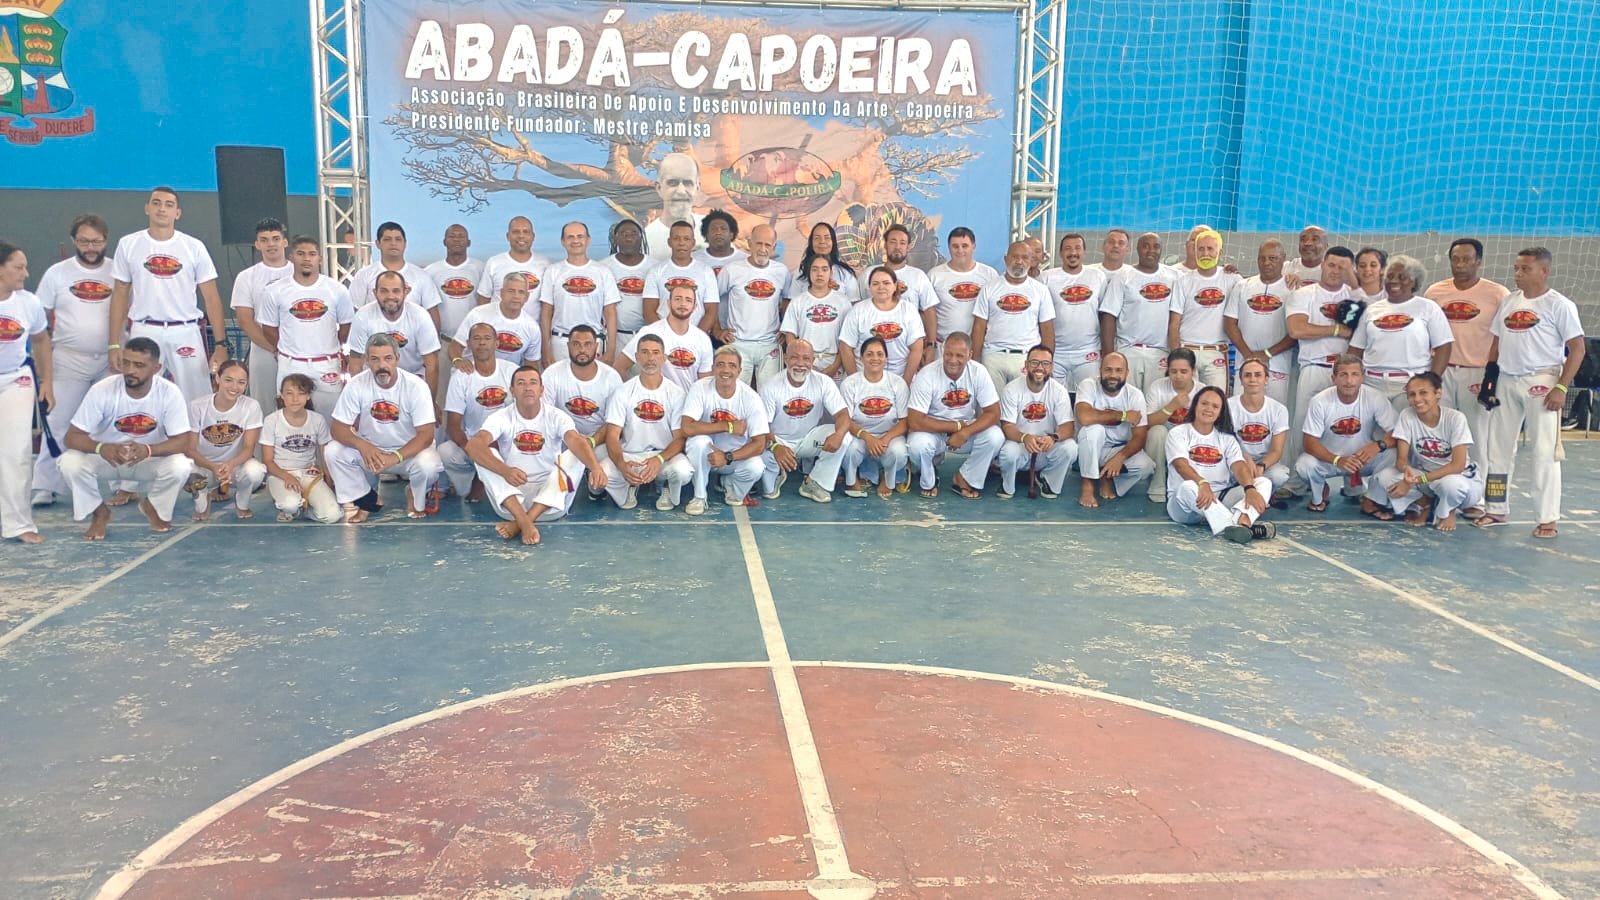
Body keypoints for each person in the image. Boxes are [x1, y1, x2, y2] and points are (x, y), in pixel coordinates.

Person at [1477, 247, 1586, 538]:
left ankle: (1547, 518)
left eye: (1525, 269)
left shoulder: (1559, 305)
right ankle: (1496, 509)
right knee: (1497, 448)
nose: (1518, 274)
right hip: (1507, 379)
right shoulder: (1509, 301)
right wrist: (1490, 377)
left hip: (1543, 381)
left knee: (1543, 451)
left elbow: (1578, 348)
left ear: (1544, 271)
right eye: (1516, 268)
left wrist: (1562, 386)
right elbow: (1497, 341)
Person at [58, 337, 192, 540]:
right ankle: (99, 512)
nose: (130, 370)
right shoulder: (102, 390)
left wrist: (148, 450)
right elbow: (71, 437)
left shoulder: (169, 393)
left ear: (156, 368)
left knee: (181, 466)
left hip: (147, 458)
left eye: (139, 365)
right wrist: (101, 447)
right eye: (126, 362)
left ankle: (153, 506)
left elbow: (183, 441)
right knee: (69, 462)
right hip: (108, 458)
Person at [107, 186, 229, 400]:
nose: (162, 209)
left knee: (197, 400)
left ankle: (193, 435)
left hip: (185, 331)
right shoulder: (128, 244)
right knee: (138, 398)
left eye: (168, 205)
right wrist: (114, 343)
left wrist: (221, 344)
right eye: (156, 203)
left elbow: (211, 298)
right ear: (147, 208)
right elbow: (119, 295)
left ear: (178, 213)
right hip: (144, 330)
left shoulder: (194, 247)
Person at [465, 365, 608, 545]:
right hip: (510, 504)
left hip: (551, 505)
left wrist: (595, 467)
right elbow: (473, 446)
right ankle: (523, 520)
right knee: (485, 454)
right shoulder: (501, 416)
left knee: (575, 452)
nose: (527, 388)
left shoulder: (557, 416)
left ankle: (521, 523)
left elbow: (576, 441)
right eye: (521, 383)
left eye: (533, 383)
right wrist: (505, 471)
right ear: (512, 391)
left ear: (541, 390)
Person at [30, 215, 108, 509]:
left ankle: (124, 485)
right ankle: (45, 485)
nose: (91, 247)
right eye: (85, 241)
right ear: (75, 241)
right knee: (59, 421)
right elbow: (38, 319)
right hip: (68, 359)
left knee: (117, 421)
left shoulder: (117, 271)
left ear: (105, 241)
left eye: (96, 241)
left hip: (110, 360)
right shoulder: (56, 274)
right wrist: (44, 370)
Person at [327, 334, 445, 522]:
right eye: (375, 359)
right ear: (366, 361)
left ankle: (413, 493)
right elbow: (337, 428)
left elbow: (425, 435)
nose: (381, 365)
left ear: (397, 359)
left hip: (408, 454)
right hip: (372, 453)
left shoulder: (417, 386)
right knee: (333, 451)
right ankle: (368, 500)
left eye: (387, 358)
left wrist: (395, 457)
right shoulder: (356, 384)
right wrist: (362, 445)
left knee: (428, 465)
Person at [1424, 237, 1508, 465]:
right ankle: (1441, 488)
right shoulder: (1434, 292)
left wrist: (1492, 375)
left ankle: (1477, 494)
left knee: (1477, 435)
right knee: (1440, 433)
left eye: (1467, 259)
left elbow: (1503, 337)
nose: (1460, 264)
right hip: (1442, 371)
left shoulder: (1498, 294)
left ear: (1478, 261)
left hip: (1477, 372)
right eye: (1455, 259)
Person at [1367, 372, 1484, 530]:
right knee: (1385, 477)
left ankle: (1448, 511)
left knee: (1452, 485)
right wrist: (1407, 473)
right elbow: (1401, 460)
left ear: (1438, 393)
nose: (1417, 399)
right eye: (1412, 394)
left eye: (1423, 393)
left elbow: (1457, 466)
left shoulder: (1456, 418)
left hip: (1459, 479)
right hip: (1425, 477)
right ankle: (1425, 502)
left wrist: (1419, 480)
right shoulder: (1407, 416)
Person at [1164, 385, 1275, 543]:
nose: (1209, 409)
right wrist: (1202, 483)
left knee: (1263, 482)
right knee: (1188, 486)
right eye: (1204, 403)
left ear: (1220, 412)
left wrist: (1249, 488)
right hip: (1186, 505)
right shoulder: (1178, 433)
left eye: (1215, 406)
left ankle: (1241, 524)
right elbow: (1181, 465)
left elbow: (1239, 466)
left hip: (1220, 500)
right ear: (1195, 405)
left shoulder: (1226, 438)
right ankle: (1238, 525)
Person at [598, 334, 694, 511]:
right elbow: (612, 434)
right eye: (645, 352)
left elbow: (680, 438)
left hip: (664, 455)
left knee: (683, 472)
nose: (650, 358)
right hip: (630, 455)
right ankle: (629, 485)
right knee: (601, 473)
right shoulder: (623, 391)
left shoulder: (676, 393)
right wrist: (621, 464)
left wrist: (659, 459)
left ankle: (664, 486)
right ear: (637, 357)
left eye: (656, 353)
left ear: (664, 358)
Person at [259, 236, 353, 413]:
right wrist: (287, 348)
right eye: (301, 254)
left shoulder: (337, 290)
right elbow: (269, 330)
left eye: (312, 254)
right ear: (292, 257)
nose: (307, 258)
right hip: (291, 364)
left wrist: (332, 347)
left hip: (327, 364)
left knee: (330, 420)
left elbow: (346, 327)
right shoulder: (274, 291)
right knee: (289, 423)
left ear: (320, 258)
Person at [1294, 355, 1398, 512]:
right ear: (1333, 378)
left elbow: (1397, 433)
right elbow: (1309, 442)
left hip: (1363, 460)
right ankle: (1319, 495)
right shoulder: (1320, 401)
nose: (1349, 381)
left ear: (1362, 377)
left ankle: (1372, 498)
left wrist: (1378, 445)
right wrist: (1337, 460)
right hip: (1330, 460)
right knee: (1304, 465)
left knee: (1393, 454)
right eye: (1343, 375)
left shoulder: (1375, 398)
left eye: (1354, 374)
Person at [1349, 255, 1452, 411]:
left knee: (1406, 433)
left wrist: (1432, 380)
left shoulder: (1428, 308)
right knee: (1375, 434)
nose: (1394, 281)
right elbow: (1356, 349)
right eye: (1390, 276)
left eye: (1402, 277)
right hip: (1372, 384)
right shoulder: (1372, 310)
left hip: (1410, 384)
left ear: (1414, 282)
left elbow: (1444, 346)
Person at [905, 333, 1003, 499]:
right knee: (917, 446)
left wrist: (965, 432)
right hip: (933, 431)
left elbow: (994, 413)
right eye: (949, 354)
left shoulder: (978, 371)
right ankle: (929, 480)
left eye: (959, 355)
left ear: (970, 355)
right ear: (942, 351)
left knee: (995, 436)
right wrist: (956, 427)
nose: (952, 360)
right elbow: (914, 420)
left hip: (965, 432)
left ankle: (965, 478)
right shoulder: (927, 374)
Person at [758, 340, 855, 503]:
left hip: (809, 442)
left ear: (813, 361)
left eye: (806, 359)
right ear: (786, 359)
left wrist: (838, 435)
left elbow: (843, 415)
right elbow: (762, 427)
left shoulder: (823, 382)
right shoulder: (771, 386)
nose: (800, 364)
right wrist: (775, 447)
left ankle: (814, 482)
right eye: (795, 358)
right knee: (758, 452)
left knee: (845, 437)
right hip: (778, 442)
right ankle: (775, 473)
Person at [0, 243, 50, 542]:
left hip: (15, 380)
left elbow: (42, 340)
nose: (26, 273)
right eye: (18, 267)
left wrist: (47, 382)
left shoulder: (28, 303)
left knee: (16, 453)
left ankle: (18, 524)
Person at [681, 346, 770, 513]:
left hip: (732, 457)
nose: (725, 370)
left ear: (739, 371)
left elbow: (759, 444)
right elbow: (687, 427)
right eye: (720, 364)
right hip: (704, 456)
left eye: (732, 365)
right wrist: (727, 426)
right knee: (699, 442)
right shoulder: (700, 388)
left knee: (756, 467)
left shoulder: (751, 398)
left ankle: (730, 486)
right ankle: (699, 497)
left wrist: (727, 457)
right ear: (713, 368)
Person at [438, 323, 516, 503]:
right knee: (444, 451)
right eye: (477, 339)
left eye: (487, 338)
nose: (482, 343)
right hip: (473, 443)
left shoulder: (511, 371)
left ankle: (484, 480)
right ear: (469, 344)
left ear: (497, 343)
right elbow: (453, 425)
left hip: (508, 444)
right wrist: (476, 451)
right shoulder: (461, 376)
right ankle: (478, 478)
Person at [1286, 246, 1357, 441]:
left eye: (1342, 267)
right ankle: (1297, 471)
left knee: (1342, 429)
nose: (1335, 271)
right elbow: (1297, 329)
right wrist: (1336, 330)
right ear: (1322, 264)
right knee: (1303, 426)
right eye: (1331, 265)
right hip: (1314, 368)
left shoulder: (1355, 298)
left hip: (1346, 373)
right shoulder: (1303, 294)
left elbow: (1357, 335)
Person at [183, 359, 266, 521]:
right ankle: (202, 497)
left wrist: (230, 465)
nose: (235, 387)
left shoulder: (251, 406)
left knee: (255, 471)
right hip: (204, 466)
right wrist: (212, 466)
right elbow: (190, 449)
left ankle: (242, 502)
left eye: (241, 382)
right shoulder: (197, 406)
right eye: (228, 380)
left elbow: (249, 448)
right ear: (217, 379)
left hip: (234, 466)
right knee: (182, 469)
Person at [971, 240, 1056, 393]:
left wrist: (1045, 362)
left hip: (1026, 357)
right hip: (993, 356)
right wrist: (975, 362)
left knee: (1023, 409)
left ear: (1031, 261)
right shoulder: (989, 288)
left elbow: (1047, 329)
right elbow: (979, 327)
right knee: (991, 409)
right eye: (1014, 257)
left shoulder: (1040, 290)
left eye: (1024, 257)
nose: (1019, 262)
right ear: (1005, 259)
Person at [1099, 232, 1178, 391]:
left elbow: (1197, 278)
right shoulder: (1123, 276)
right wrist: (1108, 355)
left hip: (1160, 353)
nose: (1151, 251)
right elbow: (1109, 316)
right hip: (1129, 351)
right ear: (1137, 249)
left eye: (1156, 246)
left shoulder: (1174, 276)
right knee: (1126, 403)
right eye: (1145, 246)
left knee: (1154, 405)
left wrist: (1227, 271)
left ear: (1161, 249)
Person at [1074, 351, 1155, 507]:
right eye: (1108, 369)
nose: (1113, 375)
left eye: (1119, 370)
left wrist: (1119, 458)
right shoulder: (1088, 385)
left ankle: (1107, 476)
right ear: (1100, 371)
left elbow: (1140, 437)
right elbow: (1084, 417)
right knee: (1093, 430)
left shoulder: (1135, 395)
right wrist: (1123, 415)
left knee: (1146, 466)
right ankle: (1088, 484)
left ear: (1127, 373)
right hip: (1089, 449)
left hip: (1117, 449)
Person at [996, 345, 1077, 499]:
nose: (1040, 368)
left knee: (1070, 448)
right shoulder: (1011, 389)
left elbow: (1068, 427)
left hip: (1046, 447)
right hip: (1020, 445)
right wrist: (1025, 437)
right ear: (1026, 365)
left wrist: (1053, 438)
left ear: (1051, 367)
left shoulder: (1059, 391)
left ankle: (1047, 480)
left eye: (1045, 364)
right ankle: (1007, 484)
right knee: (1008, 452)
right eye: (1034, 363)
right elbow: (1007, 426)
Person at [345, 270, 442, 397]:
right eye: (384, 291)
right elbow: (355, 363)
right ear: (375, 293)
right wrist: (359, 398)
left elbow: (432, 365)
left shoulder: (420, 316)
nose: (390, 296)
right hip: (374, 379)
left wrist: (431, 403)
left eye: (396, 291)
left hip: (414, 378)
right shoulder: (363, 316)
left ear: (406, 292)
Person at [228, 218, 293, 408]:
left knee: (298, 403)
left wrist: (291, 349)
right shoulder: (247, 277)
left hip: (298, 351)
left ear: (285, 242)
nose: (271, 244)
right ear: (257, 245)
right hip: (264, 351)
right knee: (263, 406)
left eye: (275, 238)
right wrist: (274, 348)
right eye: (264, 240)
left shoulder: (299, 272)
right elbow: (245, 320)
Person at [715, 224, 789, 386]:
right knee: (735, 396)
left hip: (770, 345)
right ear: (750, 243)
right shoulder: (731, 270)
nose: (762, 249)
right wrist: (717, 330)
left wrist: (786, 328)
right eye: (758, 243)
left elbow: (787, 301)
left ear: (774, 247)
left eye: (767, 245)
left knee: (770, 398)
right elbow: (711, 300)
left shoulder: (782, 272)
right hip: (738, 343)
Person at [260, 373, 340, 524]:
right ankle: (291, 509)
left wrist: (330, 482)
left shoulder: (317, 420)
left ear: (308, 396)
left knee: (332, 515)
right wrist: (287, 477)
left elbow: (325, 454)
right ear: (282, 395)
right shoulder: (272, 420)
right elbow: (267, 460)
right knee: (289, 505)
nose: (295, 399)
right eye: (289, 393)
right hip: (281, 474)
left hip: (309, 474)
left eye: (301, 393)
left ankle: (307, 510)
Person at [1223, 239, 1296, 405]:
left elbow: (1295, 332)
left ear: (1283, 259)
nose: (1266, 263)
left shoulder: (1292, 288)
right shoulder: (1242, 286)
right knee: (1240, 414)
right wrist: (1249, 355)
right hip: (1244, 363)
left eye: (1272, 258)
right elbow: (1229, 323)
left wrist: (1267, 354)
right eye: (1262, 258)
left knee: (1275, 416)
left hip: (1278, 366)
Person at [540, 222, 622, 367]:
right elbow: (546, 312)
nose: (576, 241)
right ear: (563, 242)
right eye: (570, 237)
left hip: (593, 342)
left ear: (588, 240)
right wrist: (545, 349)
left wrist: (611, 349)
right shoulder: (552, 271)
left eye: (580, 236)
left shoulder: (603, 272)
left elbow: (610, 312)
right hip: (560, 342)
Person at [1167, 228, 1241, 389]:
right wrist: (1176, 356)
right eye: (1201, 249)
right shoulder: (1183, 281)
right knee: (1185, 406)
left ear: (1219, 252)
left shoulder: (1233, 279)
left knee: (1217, 403)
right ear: (1194, 251)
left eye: (1210, 249)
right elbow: (1174, 323)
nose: (1205, 253)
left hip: (1216, 353)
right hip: (1187, 351)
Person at [838, 336, 910, 498]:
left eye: (879, 354)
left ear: (886, 358)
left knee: (898, 453)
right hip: (859, 434)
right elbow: (845, 420)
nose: (875, 358)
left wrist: (885, 439)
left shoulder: (898, 383)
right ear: (861, 358)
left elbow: (905, 421)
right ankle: (851, 479)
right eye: (869, 354)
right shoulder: (850, 383)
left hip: (889, 435)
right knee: (848, 449)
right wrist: (867, 437)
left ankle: (888, 478)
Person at [346, 222, 445, 332]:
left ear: (405, 243)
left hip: (413, 346)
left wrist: (434, 344)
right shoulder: (364, 275)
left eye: (398, 239)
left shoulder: (421, 276)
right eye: (387, 239)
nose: (393, 243)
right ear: (378, 244)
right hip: (375, 345)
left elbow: (432, 314)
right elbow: (353, 312)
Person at [1042, 233, 1109, 391]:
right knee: (1055, 401)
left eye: (1077, 248)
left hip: (1088, 352)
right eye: (1068, 249)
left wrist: (1106, 351)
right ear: (1060, 253)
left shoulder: (1097, 276)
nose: (1073, 253)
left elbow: (1104, 316)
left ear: (1084, 252)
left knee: (1088, 398)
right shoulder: (1046, 278)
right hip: (1056, 353)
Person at [837, 266, 927, 382]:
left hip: (899, 378)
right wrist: (856, 381)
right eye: (875, 284)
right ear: (869, 287)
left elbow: (917, 348)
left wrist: (905, 383)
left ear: (895, 286)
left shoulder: (908, 310)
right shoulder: (858, 311)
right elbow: (845, 347)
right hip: (864, 378)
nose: (881, 287)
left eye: (886, 283)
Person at [619, 284, 713, 390]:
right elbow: (619, 367)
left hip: (688, 403)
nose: (683, 304)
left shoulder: (703, 339)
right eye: (678, 299)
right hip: (656, 404)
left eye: (688, 300)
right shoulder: (650, 332)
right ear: (668, 303)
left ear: (695, 307)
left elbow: (705, 384)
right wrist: (634, 393)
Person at [543, 324, 623, 450]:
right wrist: (573, 440)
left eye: (588, 344)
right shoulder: (551, 373)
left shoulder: (611, 377)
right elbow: (546, 415)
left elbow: (614, 422)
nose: (582, 350)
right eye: (576, 344)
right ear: (568, 346)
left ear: (596, 347)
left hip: (599, 442)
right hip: (562, 441)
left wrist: (591, 441)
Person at [1141, 348, 1202, 502]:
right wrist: (1171, 407)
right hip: (1164, 440)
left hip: (1190, 440)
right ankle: (1158, 484)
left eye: (1183, 371)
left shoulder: (1202, 390)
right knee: (1157, 431)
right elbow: (1146, 423)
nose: (1178, 376)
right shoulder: (1158, 386)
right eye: (1173, 371)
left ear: (1193, 371)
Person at [447, 271, 541, 369]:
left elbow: (532, 363)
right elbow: (455, 346)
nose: (516, 296)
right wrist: (458, 361)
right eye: (511, 291)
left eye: (521, 292)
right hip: (472, 374)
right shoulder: (478, 314)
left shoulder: (532, 327)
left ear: (526, 297)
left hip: (507, 380)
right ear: (501, 293)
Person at [874, 224, 939, 363]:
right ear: (885, 245)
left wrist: (931, 345)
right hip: (876, 348)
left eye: (902, 243)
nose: (897, 246)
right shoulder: (870, 275)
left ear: (908, 247)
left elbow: (930, 311)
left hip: (910, 349)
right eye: (893, 242)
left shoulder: (918, 276)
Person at [1227, 358, 1292, 495]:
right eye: (1247, 375)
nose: (1252, 379)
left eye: (1258, 375)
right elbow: (1226, 443)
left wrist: (1260, 467)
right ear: (1241, 379)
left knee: (1279, 475)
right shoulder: (1227, 406)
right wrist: (1245, 460)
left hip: (1264, 462)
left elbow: (1276, 450)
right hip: (1235, 459)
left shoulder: (1279, 409)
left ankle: (1264, 495)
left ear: (1266, 379)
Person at [927, 226, 999, 348]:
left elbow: (996, 311)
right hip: (942, 346)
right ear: (949, 248)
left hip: (978, 346)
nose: (960, 250)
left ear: (974, 247)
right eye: (955, 246)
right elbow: (927, 313)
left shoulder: (989, 274)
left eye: (965, 246)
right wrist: (930, 344)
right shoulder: (934, 275)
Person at [780, 256, 851, 379]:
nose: (819, 274)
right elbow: (790, 335)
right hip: (805, 363)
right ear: (809, 272)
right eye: (815, 269)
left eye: (824, 269)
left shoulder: (843, 302)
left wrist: (835, 365)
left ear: (831, 273)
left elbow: (847, 340)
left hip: (834, 362)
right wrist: (801, 359)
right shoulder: (798, 302)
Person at [647, 220, 720, 331]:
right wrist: (665, 335)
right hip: (664, 339)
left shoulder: (706, 271)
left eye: (686, 239)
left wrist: (695, 337)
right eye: (676, 238)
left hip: (696, 339)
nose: (681, 243)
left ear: (693, 243)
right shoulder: (656, 271)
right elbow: (648, 312)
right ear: (669, 242)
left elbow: (711, 311)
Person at [599, 219, 658, 350]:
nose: (629, 237)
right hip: (614, 336)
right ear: (615, 238)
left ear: (641, 237)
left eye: (633, 233)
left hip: (647, 336)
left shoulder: (655, 267)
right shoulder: (603, 267)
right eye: (623, 234)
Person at [424, 223, 486, 343]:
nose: (456, 239)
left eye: (461, 236)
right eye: (452, 236)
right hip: (443, 341)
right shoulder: (430, 272)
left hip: (473, 342)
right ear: (444, 242)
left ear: (468, 243)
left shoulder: (481, 268)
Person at [646, 151, 704, 260]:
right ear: (659, 188)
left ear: (697, 188)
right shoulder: (647, 240)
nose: (681, 191)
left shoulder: (712, 230)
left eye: (688, 183)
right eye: (672, 183)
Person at [479, 216, 549, 302]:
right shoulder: (494, 263)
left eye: (526, 232)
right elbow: (484, 298)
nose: (521, 236)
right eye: (516, 232)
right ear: (508, 236)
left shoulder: (545, 264)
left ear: (533, 236)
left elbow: (547, 302)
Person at [787, 222, 859, 304]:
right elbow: (792, 305)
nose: (822, 242)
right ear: (811, 243)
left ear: (833, 242)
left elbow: (854, 306)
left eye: (827, 238)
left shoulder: (845, 273)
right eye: (817, 238)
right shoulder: (800, 273)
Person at [693, 209, 746, 278]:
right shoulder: (694, 259)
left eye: (723, 229)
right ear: (706, 235)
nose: (718, 232)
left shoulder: (744, 260)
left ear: (731, 234)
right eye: (714, 229)